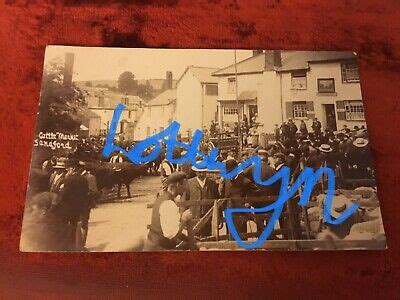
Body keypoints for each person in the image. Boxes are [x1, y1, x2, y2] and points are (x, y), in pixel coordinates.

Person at [144, 172, 193, 251]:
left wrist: (187, 238)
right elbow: (172, 236)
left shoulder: (162, 198)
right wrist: (184, 220)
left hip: (153, 246)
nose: (185, 188)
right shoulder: (168, 204)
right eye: (184, 185)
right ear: (177, 185)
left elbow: (169, 229)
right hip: (158, 250)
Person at [58, 158, 90, 251]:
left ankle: (69, 246)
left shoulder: (69, 180)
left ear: (73, 168)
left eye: (68, 168)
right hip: (80, 206)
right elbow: (85, 192)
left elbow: (64, 195)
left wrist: (61, 189)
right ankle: (78, 246)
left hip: (69, 207)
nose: (67, 170)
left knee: (69, 227)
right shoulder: (84, 179)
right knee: (77, 226)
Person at [182, 167, 219, 237]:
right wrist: (183, 219)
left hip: (208, 216)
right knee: (194, 238)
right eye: (199, 172)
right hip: (194, 216)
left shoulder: (212, 183)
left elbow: (217, 201)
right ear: (195, 172)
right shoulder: (189, 183)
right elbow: (184, 202)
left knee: (208, 238)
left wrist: (218, 216)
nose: (202, 174)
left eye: (203, 172)